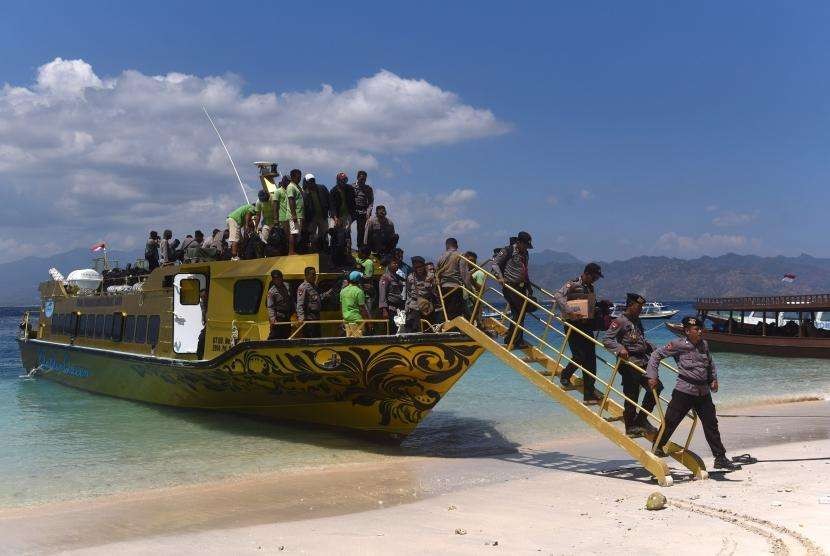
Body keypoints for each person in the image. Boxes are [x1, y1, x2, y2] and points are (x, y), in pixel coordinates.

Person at [647, 316, 741, 471]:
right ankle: (657, 449)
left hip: (703, 393)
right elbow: (656, 355)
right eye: (696, 329)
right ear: (687, 331)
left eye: (700, 328)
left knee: (711, 424)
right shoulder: (678, 344)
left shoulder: (704, 344)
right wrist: (652, 376)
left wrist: (713, 380)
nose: (699, 331)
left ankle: (720, 458)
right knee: (670, 422)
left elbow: (710, 363)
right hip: (684, 391)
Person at [603, 293, 663, 437]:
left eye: (641, 307)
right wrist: (619, 349)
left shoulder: (637, 321)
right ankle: (630, 426)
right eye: (638, 307)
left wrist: (655, 349)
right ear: (630, 306)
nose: (640, 309)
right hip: (629, 363)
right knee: (632, 395)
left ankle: (641, 419)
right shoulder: (620, 321)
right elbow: (607, 339)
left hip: (643, 362)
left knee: (657, 388)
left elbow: (640, 340)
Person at [554, 262, 604, 404]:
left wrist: (600, 305)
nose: (595, 280)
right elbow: (558, 295)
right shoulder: (573, 284)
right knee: (579, 355)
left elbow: (589, 305)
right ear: (587, 274)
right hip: (573, 324)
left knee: (591, 361)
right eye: (594, 277)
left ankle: (589, 393)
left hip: (587, 325)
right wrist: (570, 310)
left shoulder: (591, 287)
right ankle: (565, 374)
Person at [491, 231, 533, 349]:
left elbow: (525, 270)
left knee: (517, 312)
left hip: (521, 286)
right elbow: (495, 264)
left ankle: (512, 338)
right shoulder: (508, 250)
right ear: (519, 242)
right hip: (510, 285)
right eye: (524, 245)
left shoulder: (525, 253)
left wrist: (528, 286)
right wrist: (500, 277)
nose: (526, 248)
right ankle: (516, 340)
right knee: (520, 312)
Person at [436, 238, 470, 321]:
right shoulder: (460, 255)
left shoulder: (441, 257)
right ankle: (455, 329)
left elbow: (437, 274)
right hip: (455, 287)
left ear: (447, 245)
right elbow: (464, 273)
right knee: (455, 313)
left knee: (447, 311)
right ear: (456, 245)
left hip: (444, 288)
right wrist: (469, 288)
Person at [405, 256, 439, 333]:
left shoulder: (430, 276)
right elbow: (409, 292)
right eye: (417, 267)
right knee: (415, 326)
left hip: (427, 305)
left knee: (430, 327)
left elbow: (435, 288)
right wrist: (407, 308)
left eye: (421, 266)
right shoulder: (410, 278)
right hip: (415, 305)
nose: (419, 269)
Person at [296, 266, 331, 338]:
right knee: (310, 337)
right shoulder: (303, 287)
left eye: (315, 274)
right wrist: (301, 317)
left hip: (316, 317)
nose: (314, 277)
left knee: (317, 336)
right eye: (312, 275)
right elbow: (300, 304)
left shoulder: (314, 286)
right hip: (309, 318)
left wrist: (325, 294)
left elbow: (316, 298)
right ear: (306, 276)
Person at [279, 169, 305, 255]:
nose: (299, 178)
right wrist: (294, 215)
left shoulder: (297, 187)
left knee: (297, 234)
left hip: (299, 214)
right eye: (298, 177)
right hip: (294, 215)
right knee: (293, 233)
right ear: (293, 177)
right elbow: (291, 200)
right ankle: (291, 251)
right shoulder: (291, 187)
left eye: (300, 177)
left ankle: (295, 250)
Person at [302, 174, 330, 253]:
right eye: (310, 181)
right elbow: (304, 207)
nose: (312, 182)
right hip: (312, 218)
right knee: (312, 235)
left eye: (313, 180)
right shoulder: (305, 193)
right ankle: (313, 250)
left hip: (323, 216)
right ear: (306, 182)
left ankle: (324, 249)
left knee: (324, 234)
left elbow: (329, 199)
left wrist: (329, 210)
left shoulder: (322, 188)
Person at [379, 257, 406, 333]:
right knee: (391, 328)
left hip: (399, 307)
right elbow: (382, 294)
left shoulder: (398, 278)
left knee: (400, 328)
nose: (396, 265)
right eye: (394, 263)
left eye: (397, 263)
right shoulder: (385, 278)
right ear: (389, 265)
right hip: (390, 308)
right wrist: (384, 309)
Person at [340, 270, 370, 337]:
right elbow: (362, 308)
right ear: (359, 280)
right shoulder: (359, 291)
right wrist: (368, 322)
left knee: (349, 340)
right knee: (359, 341)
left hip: (346, 321)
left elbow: (341, 306)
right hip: (357, 321)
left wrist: (343, 318)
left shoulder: (343, 291)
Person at [266, 269, 292, 339]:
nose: (278, 280)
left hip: (287, 316)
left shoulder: (287, 286)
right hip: (278, 317)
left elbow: (291, 300)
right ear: (273, 280)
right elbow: (270, 306)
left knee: (287, 334)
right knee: (275, 335)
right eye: (275, 279)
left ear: (282, 278)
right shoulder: (272, 291)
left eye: (279, 278)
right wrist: (272, 318)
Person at [352, 170, 374, 249]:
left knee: (361, 231)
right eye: (361, 179)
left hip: (363, 211)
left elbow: (371, 202)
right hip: (352, 210)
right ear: (358, 178)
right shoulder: (351, 186)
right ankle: (346, 246)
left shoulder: (368, 189)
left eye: (364, 179)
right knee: (346, 228)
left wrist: (368, 212)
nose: (363, 181)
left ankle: (360, 248)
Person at [330, 172, 356, 237]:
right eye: (342, 180)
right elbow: (332, 205)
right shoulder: (333, 191)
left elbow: (353, 203)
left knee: (346, 232)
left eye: (345, 180)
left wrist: (352, 216)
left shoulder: (350, 189)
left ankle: (347, 246)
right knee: (333, 230)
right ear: (338, 181)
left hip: (347, 215)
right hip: (337, 214)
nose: (343, 182)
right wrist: (335, 218)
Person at [463, 251, 485, 324]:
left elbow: (481, 288)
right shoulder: (464, 273)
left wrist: (472, 280)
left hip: (473, 301)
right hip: (465, 300)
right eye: (469, 260)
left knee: (472, 320)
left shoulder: (479, 273)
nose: (471, 263)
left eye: (473, 261)